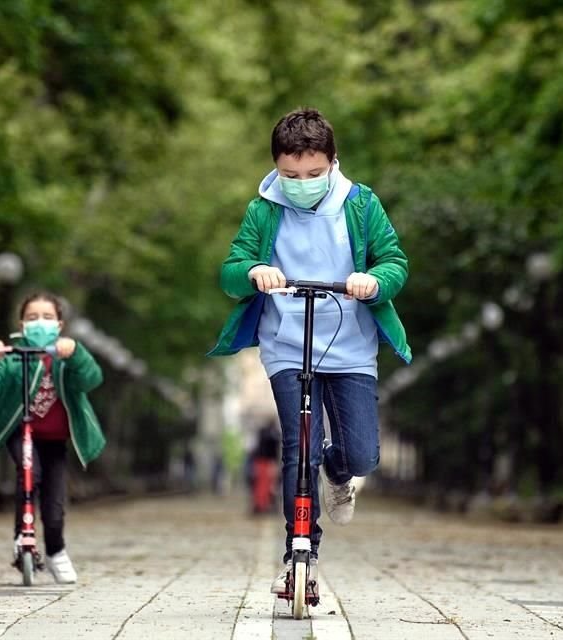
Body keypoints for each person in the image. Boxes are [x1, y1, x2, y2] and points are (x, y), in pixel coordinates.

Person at [208, 107, 411, 595]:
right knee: (299, 450)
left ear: (333, 161)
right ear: (276, 165)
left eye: (313, 174)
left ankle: (339, 473)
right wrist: (254, 271)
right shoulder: (264, 207)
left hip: (350, 347)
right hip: (287, 346)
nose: (301, 182)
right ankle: (300, 554)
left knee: (361, 454)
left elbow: (394, 262)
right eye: (290, 174)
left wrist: (374, 281)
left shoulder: (361, 204)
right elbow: (231, 269)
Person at [0, 292, 106, 584]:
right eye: (32, 317)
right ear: (21, 324)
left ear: (59, 324)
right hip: (21, 432)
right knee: (29, 474)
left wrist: (76, 353)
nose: (39, 322)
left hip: (55, 440)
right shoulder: (12, 356)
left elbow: (91, 378)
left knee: (54, 504)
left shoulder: (65, 357)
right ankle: (22, 537)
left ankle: (56, 550)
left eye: (47, 317)